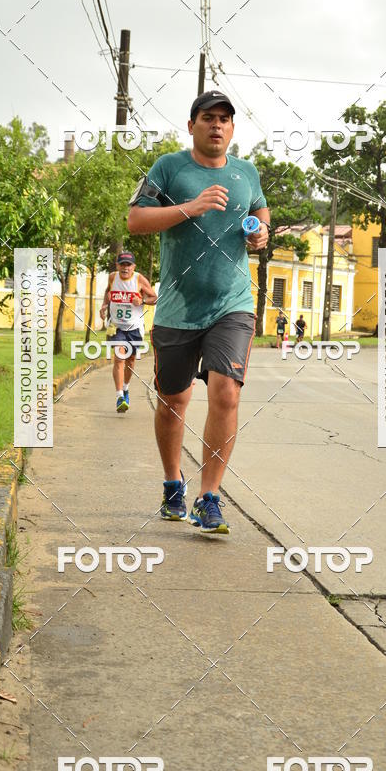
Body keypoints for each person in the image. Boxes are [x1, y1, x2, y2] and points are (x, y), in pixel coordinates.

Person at [127, 90, 270, 535]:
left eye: (225, 119)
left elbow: (260, 209)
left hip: (233, 304)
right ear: (192, 126)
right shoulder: (168, 168)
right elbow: (136, 220)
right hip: (178, 307)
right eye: (208, 118)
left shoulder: (246, 173)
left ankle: (209, 497)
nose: (217, 125)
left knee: (226, 392)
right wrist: (191, 207)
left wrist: (262, 232)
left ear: (232, 128)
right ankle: (173, 483)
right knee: (174, 400)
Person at [99, 251, 157, 413]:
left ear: (133, 267)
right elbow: (108, 292)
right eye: (122, 264)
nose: (125, 268)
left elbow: (154, 298)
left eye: (128, 265)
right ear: (117, 266)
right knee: (119, 358)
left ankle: (125, 389)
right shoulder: (112, 277)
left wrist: (142, 300)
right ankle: (119, 397)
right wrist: (104, 305)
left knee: (130, 361)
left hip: (134, 328)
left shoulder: (139, 279)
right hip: (117, 327)